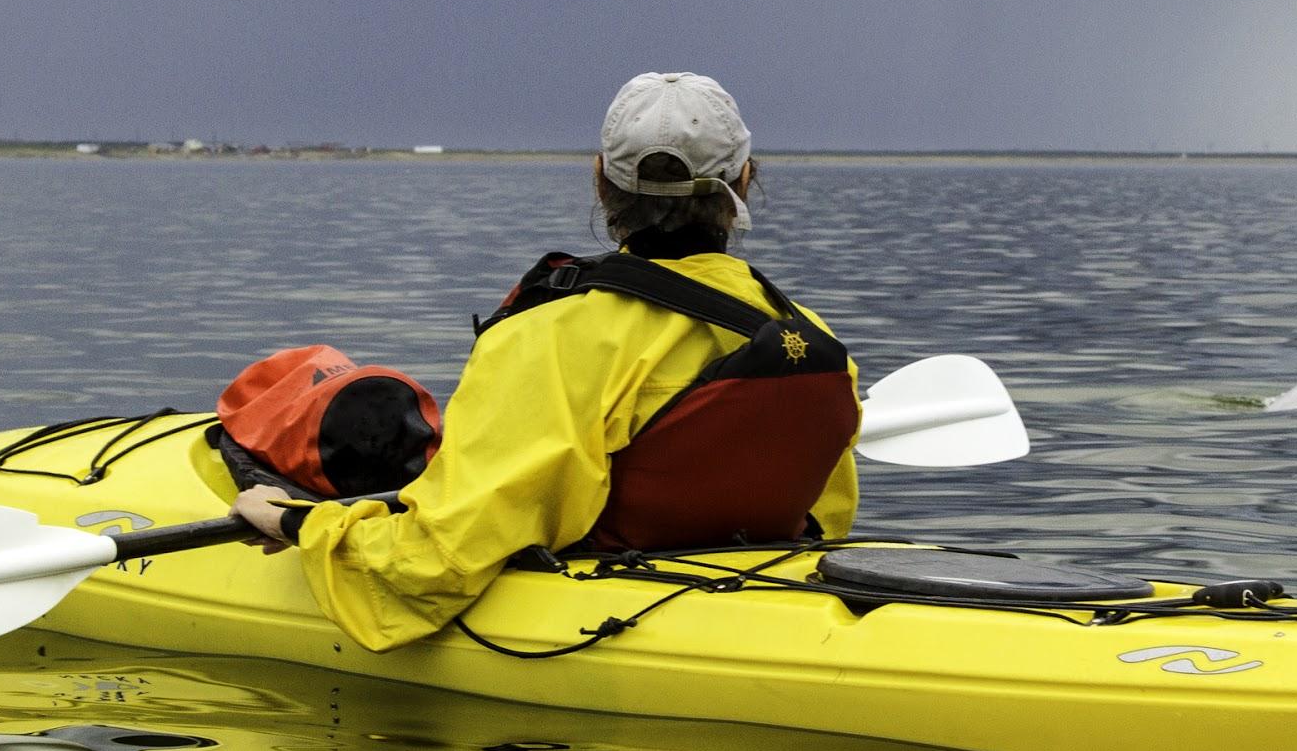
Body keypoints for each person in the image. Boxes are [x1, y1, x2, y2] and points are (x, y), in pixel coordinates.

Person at [230, 71, 860, 650]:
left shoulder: (547, 336)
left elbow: (437, 561)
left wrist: (298, 527)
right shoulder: (809, 338)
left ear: (600, 180)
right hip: (760, 588)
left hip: (602, 607)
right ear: (744, 181)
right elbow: (825, 519)